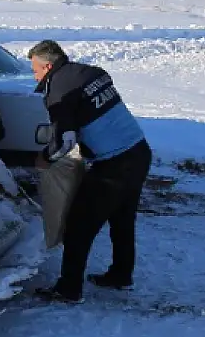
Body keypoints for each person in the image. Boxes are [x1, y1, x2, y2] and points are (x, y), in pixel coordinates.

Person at [27, 40, 151, 303]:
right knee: (122, 219)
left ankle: (68, 289)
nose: (34, 76)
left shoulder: (59, 90)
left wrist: (45, 158)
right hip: (139, 151)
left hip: (114, 165)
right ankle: (120, 274)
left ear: (48, 66)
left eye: (35, 70)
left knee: (78, 227)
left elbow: (65, 141)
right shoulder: (90, 72)